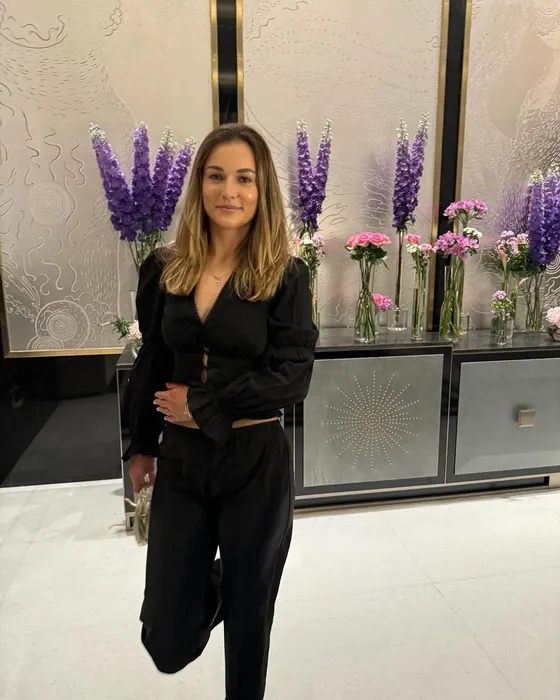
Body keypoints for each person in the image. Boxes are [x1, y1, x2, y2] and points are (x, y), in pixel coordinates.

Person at [123, 123, 318, 700]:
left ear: (262, 190)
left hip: (254, 460)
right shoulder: (165, 267)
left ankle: (246, 583)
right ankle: (231, 581)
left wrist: (205, 403)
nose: (228, 191)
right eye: (216, 176)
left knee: (250, 621)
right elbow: (154, 360)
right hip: (183, 461)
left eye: (243, 179)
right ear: (199, 184)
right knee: (167, 636)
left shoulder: (285, 274)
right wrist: (140, 445)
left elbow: (293, 376)